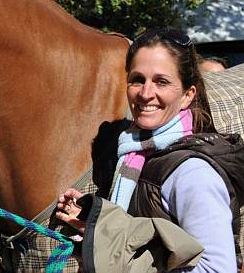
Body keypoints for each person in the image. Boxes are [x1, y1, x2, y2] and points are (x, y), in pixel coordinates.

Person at [56, 28, 242, 272]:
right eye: (137, 79)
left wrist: (117, 255)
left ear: (188, 95)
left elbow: (217, 269)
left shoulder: (192, 174)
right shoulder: (132, 154)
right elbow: (145, 240)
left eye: (161, 82)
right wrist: (97, 228)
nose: (145, 93)